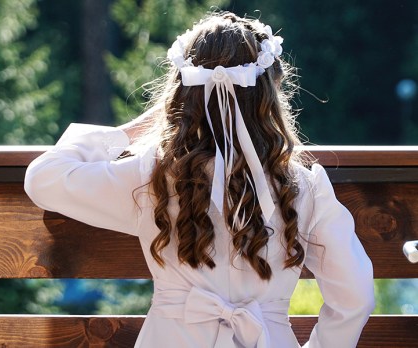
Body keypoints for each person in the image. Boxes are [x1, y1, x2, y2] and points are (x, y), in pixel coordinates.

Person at [24, 11, 374, 348]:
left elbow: (44, 179)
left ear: (180, 96)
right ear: (269, 95)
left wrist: (131, 130)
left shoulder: (151, 177)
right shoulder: (304, 187)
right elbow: (355, 297)